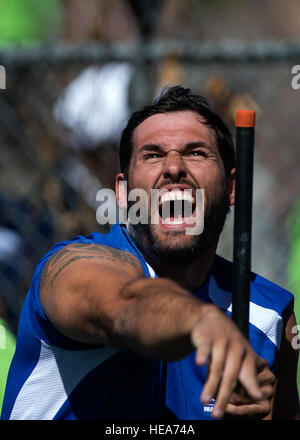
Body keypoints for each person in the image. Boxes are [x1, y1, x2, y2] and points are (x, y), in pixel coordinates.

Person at [1, 86, 299, 420]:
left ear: (232, 188)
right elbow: (127, 307)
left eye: (196, 153)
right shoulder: (72, 269)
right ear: (123, 191)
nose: (174, 167)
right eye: (153, 155)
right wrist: (198, 320)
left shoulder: (270, 316)